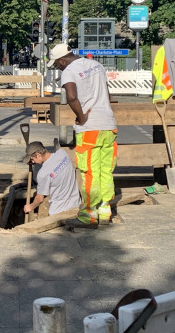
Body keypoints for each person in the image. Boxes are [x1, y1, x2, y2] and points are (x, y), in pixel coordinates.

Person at [47, 44, 117, 230]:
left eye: (56, 65)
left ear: (62, 60)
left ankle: (88, 215)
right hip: (109, 125)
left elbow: (71, 97)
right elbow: (107, 94)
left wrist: (82, 116)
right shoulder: (97, 65)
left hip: (89, 128)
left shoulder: (69, 70)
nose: (58, 68)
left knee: (89, 171)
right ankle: (104, 211)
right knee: (105, 170)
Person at [23, 141, 81, 217]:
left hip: (58, 212)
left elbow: (40, 199)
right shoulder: (62, 153)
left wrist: (30, 207)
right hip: (76, 205)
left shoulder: (43, 174)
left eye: (32, 159)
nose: (32, 162)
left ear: (38, 155)